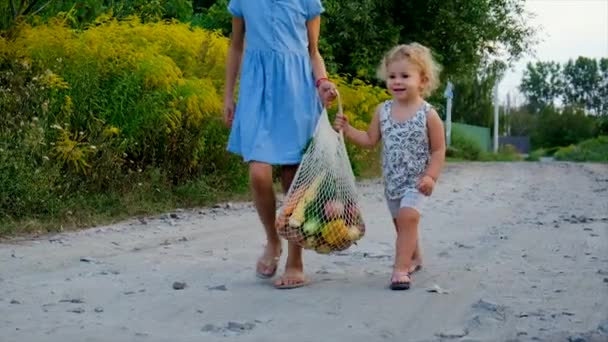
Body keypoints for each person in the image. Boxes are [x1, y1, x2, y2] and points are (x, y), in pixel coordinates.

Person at [223, 0, 337, 289]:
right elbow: (236, 47)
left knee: (293, 177)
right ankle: (273, 241)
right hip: (257, 91)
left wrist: (322, 82)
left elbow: (313, 52)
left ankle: (295, 261)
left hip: (296, 93)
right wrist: (228, 95)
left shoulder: (307, 2)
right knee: (258, 173)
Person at [334, 43, 446, 290]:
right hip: (392, 181)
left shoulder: (428, 114)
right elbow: (369, 140)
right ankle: (414, 256)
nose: (397, 81)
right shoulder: (382, 111)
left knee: (408, 218)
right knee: (401, 224)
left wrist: (431, 177)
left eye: (405, 76)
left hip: (417, 182)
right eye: (392, 76)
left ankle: (400, 269)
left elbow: (438, 150)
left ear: (423, 80)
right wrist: (347, 129)